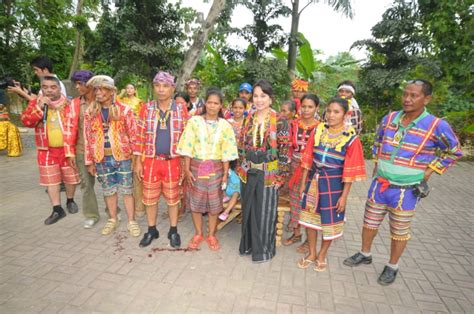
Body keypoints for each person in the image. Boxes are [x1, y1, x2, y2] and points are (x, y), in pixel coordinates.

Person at [344, 79, 462, 285]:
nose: (407, 99)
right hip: (380, 185)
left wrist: (429, 171)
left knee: (399, 230)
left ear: (427, 99)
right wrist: (377, 162)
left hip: (406, 191)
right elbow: (378, 141)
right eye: (405, 94)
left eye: (413, 95)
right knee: (369, 222)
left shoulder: (436, 125)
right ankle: (365, 253)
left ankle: (392, 266)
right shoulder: (390, 118)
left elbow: (454, 151)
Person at [297, 97, 366, 272]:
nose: (331, 115)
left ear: (345, 114)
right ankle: (312, 253)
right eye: (329, 111)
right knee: (309, 219)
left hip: (334, 184)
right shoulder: (318, 130)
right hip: (314, 181)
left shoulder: (351, 138)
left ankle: (322, 254)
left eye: (336, 112)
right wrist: (303, 185)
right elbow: (307, 158)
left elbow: (350, 171)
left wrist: (344, 197)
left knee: (329, 222)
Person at [177, 88, 238, 251]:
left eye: (216, 103)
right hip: (197, 167)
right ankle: (198, 234)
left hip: (216, 169)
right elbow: (187, 146)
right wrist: (187, 169)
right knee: (195, 202)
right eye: (209, 102)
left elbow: (227, 151)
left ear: (221, 106)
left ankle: (211, 235)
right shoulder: (194, 122)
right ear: (205, 103)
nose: (212, 106)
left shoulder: (225, 126)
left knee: (214, 203)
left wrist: (225, 174)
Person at [237, 80, 290, 262]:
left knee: (265, 212)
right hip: (249, 170)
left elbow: (284, 151)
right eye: (256, 96)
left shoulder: (280, 121)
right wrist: (240, 167)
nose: (259, 100)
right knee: (249, 209)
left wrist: (281, 176)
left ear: (270, 98)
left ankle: (264, 251)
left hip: (269, 173)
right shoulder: (248, 118)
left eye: (263, 96)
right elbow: (242, 145)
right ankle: (248, 246)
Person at [134, 71, 188, 248]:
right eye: (158, 85)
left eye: (165, 86)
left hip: (173, 161)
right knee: (149, 198)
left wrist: (186, 164)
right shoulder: (147, 108)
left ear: (172, 88)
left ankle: (173, 230)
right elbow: (139, 136)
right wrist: (138, 162)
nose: (161, 89)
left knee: (173, 199)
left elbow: (187, 139)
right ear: (154, 87)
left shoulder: (181, 109)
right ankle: (151, 230)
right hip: (150, 160)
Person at [83, 75, 141, 237]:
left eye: (102, 89)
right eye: (96, 89)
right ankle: (113, 219)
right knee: (108, 190)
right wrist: (89, 161)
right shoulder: (91, 112)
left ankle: (131, 221)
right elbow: (88, 138)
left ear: (111, 91)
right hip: (101, 158)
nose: (98, 93)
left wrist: (135, 160)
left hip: (123, 157)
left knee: (127, 190)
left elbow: (134, 136)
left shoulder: (125, 110)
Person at [20, 76, 80, 224]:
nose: (49, 90)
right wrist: (39, 108)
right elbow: (26, 121)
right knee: (51, 181)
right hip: (46, 150)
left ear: (59, 88)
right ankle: (57, 209)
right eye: (45, 87)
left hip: (67, 149)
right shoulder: (36, 103)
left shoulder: (69, 104)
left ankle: (70, 200)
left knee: (70, 179)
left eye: (53, 87)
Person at [64, 70, 104, 228]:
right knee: (86, 185)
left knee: (109, 184)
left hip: (104, 151)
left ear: (90, 84)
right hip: (81, 151)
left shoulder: (104, 101)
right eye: (76, 83)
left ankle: (113, 211)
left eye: (80, 83)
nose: (77, 86)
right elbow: (68, 130)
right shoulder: (74, 104)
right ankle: (91, 214)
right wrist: (70, 152)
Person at [284, 94, 320, 249]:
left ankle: (309, 240)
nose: (306, 110)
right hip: (294, 167)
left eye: (310, 107)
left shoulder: (321, 128)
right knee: (295, 200)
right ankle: (297, 233)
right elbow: (287, 146)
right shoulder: (293, 124)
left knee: (310, 203)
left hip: (312, 170)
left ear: (316, 108)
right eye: (304, 106)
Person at [117, 83, 145, 217]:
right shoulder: (122, 101)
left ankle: (140, 206)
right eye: (127, 88)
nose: (129, 90)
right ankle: (132, 206)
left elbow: (142, 117)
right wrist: (121, 94)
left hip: (137, 135)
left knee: (138, 175)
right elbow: (114, 102)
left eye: (131, 88)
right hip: (125, 138)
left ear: (135, 90)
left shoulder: (139, 102)